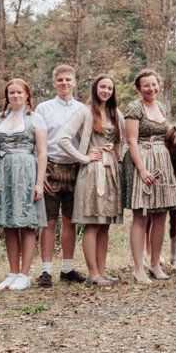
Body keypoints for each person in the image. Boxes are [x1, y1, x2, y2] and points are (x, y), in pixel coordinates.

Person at [58, 75, 126, 286]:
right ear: (95, 88)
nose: (105, 91)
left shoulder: (115, 114)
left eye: (109, 88)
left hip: (111, 171)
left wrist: (118, 155)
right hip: (93, 170)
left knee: (105, 224)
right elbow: (63, 139)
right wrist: (84, 157)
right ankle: (93, 273)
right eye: (102, 87)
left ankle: (103, 271)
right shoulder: (85, 112)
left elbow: (123, 141)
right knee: (92, 224)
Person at [122, 68, 176, 284]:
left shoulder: (161, 106)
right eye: (146, 85)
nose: (151, 88)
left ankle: (155, 264)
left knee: (161, 215)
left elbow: (164, 135)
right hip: (142, 160)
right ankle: (138, 268)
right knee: (141, 216)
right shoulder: (134, 108)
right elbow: (131, 141)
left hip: (162, 161)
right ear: (139, 88)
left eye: (154, 84)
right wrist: (142, 169)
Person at [0, 79, 48, 291]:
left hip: (26, 170)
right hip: (4, 171)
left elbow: (42, 152)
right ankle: (13, 271)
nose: (15, 96)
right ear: (7, 96)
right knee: (8, 222)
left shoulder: (35, 118)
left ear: (27, 95)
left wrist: (39, 182)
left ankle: (25, 272)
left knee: (26, 222)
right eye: (11, 93)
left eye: (19, 92)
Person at [34, 65, 85, 287]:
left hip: (75, 168)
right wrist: (40, 171)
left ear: (75, 82)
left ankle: (67, 268)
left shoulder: (83, 109)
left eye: (68, 80)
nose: (64, 83)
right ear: (54, 83)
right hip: (51, 168)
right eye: (60, 80)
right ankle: (46, 270)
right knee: (48, 221)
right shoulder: (43, 109)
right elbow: (37, 143)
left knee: (70, 221)